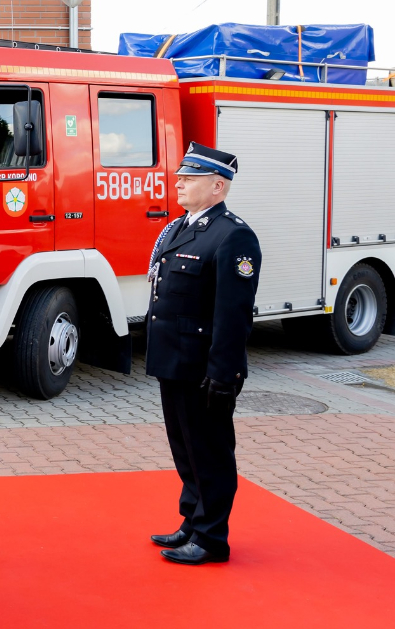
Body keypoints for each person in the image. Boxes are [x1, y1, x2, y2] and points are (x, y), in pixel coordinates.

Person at [145, 142, 261, 565]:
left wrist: (224, 373)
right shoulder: (180, 226)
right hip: (174, 360)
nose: (178, 183)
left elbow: (232, 315)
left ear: (217, 186)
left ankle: (212, 538)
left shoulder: (233, 236)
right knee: (185, 447)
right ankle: (192, 521)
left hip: (202, 368)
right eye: (181, 176)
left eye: (188, 178)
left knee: (209, 451)